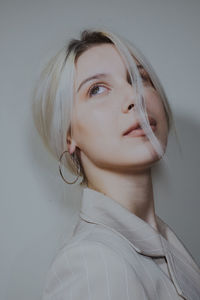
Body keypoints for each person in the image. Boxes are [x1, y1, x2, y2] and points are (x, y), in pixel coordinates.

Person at [32, 28, 200, 300]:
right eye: (97, 89)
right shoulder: (92, 263)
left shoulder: (165, 244)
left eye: (140, 78)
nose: (135, 98)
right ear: (68, 135)